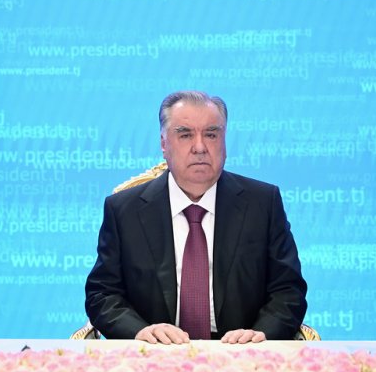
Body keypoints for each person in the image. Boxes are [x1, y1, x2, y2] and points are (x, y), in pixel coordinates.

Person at [85, 91, 307, 344]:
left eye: (211, 134)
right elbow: (102, 295)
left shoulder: (262, 203)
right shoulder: (125, 210)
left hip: (242, 354)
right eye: (185, 135)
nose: (200, 147)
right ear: (163, 144)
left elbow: (288, 291)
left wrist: (259, 334)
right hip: (155, 352)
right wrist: (140, 331)